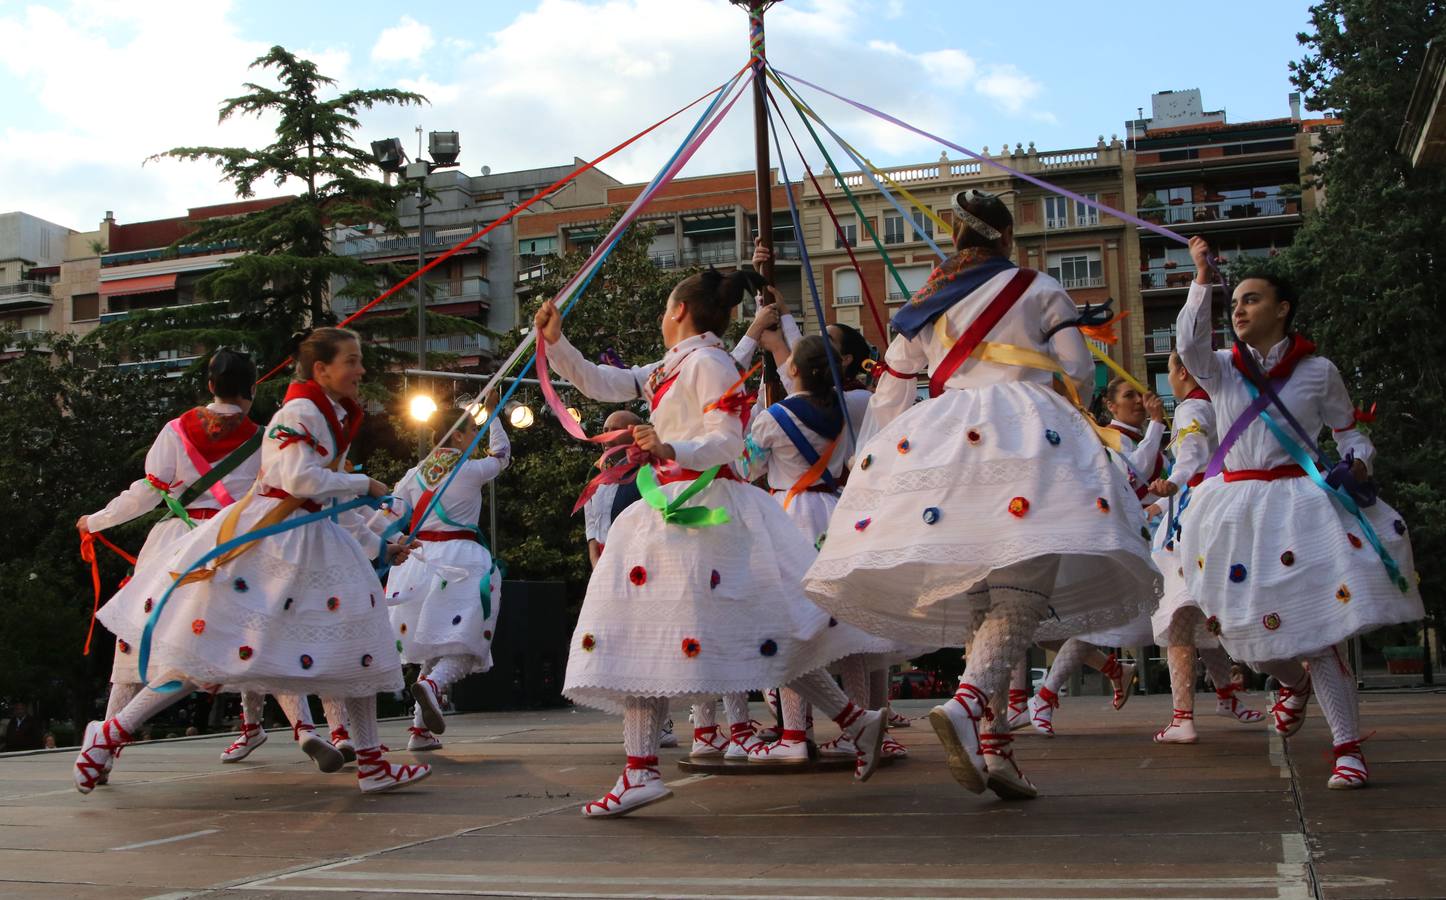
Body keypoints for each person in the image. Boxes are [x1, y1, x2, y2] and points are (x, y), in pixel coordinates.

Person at [803, 189, 1158, 800]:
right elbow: (1079, 369)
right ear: (1004, 240)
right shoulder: (1039, 286)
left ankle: (995, 747)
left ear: (958, 238)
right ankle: (969, 707)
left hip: (943, 439)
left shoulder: (924, 300)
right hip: (1023, 431)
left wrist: (872, 468)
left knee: (979, 588)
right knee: (1027, 576)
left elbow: (891, 392)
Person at [535, 268, 894, 818]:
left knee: (660, 631)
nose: (661, 316)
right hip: (674, 511)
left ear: (678, 310)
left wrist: (669, 445)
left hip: (702, 512)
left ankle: (642, 771)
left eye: (664, 308)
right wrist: (556, 344)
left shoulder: (710, 362)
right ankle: (855, 722)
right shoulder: (673, 365)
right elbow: (600, 382)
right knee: (734, 631)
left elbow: (727, 442)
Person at [77, 328, 429, 795]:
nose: (360, 370)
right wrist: (364, 487)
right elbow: (297, 479)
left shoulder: (327, 412)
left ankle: (370, 763)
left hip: (307, 541)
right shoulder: (301, 411)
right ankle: (109, 733)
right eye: (351, 360)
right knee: (203, 655)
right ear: (321, 369)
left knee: (354, 646)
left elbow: (320, 501)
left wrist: (378, 541)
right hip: (272, 545)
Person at [1176, 236, 1421, 788]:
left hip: (1299, 508)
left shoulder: (1319, 371)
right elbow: (1188, 344)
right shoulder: (1219, 368)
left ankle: (1348, 748)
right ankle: (1295, 684)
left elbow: (1350, 435)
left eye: (1251, 300)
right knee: (1244, 635)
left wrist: (1357, 465)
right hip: (1234, 510)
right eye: (1233, 301)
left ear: (1282, 309)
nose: (1238, 309)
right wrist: (1199, 279)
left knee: (1318, 633)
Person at [77, 350, 264, 747]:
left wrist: (95, 521)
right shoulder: (263, 439)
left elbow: (147, 492)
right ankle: (280, 728)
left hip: (175, 544)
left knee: (139, 633)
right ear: (253, 387)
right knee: (254, 630)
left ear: (210, 386)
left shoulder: (177, 429)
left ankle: (105, 746)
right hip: (233, 543)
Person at [1025, 376, 1166, 735]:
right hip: (1121, 538)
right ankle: (1042, 695)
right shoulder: (1108, 438)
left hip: (1152, 535)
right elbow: (1137, 476)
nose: (1138, 401)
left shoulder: (1134, 439)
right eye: (1128, 395)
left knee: (1183, 614)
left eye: (1140, 394)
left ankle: (1224, 694)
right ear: (1110, 406)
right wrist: (1158, 425)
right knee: (1082, 622)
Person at [1146, 351, 1264, 743]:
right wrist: (1164, 500)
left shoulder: (1191, 407)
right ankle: (1227, 694)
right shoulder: (1223, 404)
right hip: (1219, 506)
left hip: (1194, 518)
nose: (1170, 383)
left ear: (1182, 371)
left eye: (1168, 373)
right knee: (1200, 612)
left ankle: (1183, 718)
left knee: (1180, 614)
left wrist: (1173, 483)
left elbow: (1192, 458)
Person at [385, 391, 510, 752]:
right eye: (473, 429)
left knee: (434, 643)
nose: (475, 434)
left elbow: (391, 518)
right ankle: (436, 686)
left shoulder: (412, 475)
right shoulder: (469, 470)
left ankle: (419, 731)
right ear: (456, 436)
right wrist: (494, 418)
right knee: (469, 640)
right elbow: (502, 456)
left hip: (418, 561)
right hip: (460, 560)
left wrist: (395, 545)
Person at [584, 410, 643, 567]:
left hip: (637, 561)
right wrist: (594, 558)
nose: (607, 436)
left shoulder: (649, 471)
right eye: (605, 430)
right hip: (602, 563)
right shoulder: (596, 474)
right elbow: (591, 522)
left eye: (615, 430)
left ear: (635, 434)